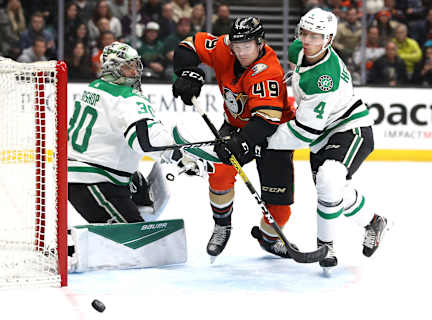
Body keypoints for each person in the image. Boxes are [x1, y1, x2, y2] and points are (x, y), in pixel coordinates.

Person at [267, 8, 389, 271]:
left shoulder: (327, 78)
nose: (309, 41)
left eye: (317, 36)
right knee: (333, 192)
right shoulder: (297, 49)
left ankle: (326, 246)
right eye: (305, 33)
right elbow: (297, 81)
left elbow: (302, 133)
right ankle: (374, 221)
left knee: (329, 178)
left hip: (350, 127)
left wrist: (262, 139)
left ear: (329, 39)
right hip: (321, 133)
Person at [172, 17, 296, 261]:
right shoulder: (225, 47)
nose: (240, 53)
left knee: (280, 210)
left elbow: (266, 121)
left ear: (261, 43)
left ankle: (269, 239)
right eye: (236, 47)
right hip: (235, 124)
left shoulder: (268, 71)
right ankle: (222, 225)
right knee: (219, 172)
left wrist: (241, 142)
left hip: (273, 135)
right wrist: (187, 73)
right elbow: (188, 46)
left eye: (246, 46)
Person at [68, 41, 207, 225]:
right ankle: (80, 246)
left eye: (135, 66)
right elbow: (144, 141)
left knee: (144, 195)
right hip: (92, 181)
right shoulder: (127, 98)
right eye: (128, 67)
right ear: (112, 69)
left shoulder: (94, 86)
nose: (135, 73)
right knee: (134, 242)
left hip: (85, 170)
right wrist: (179, 156)